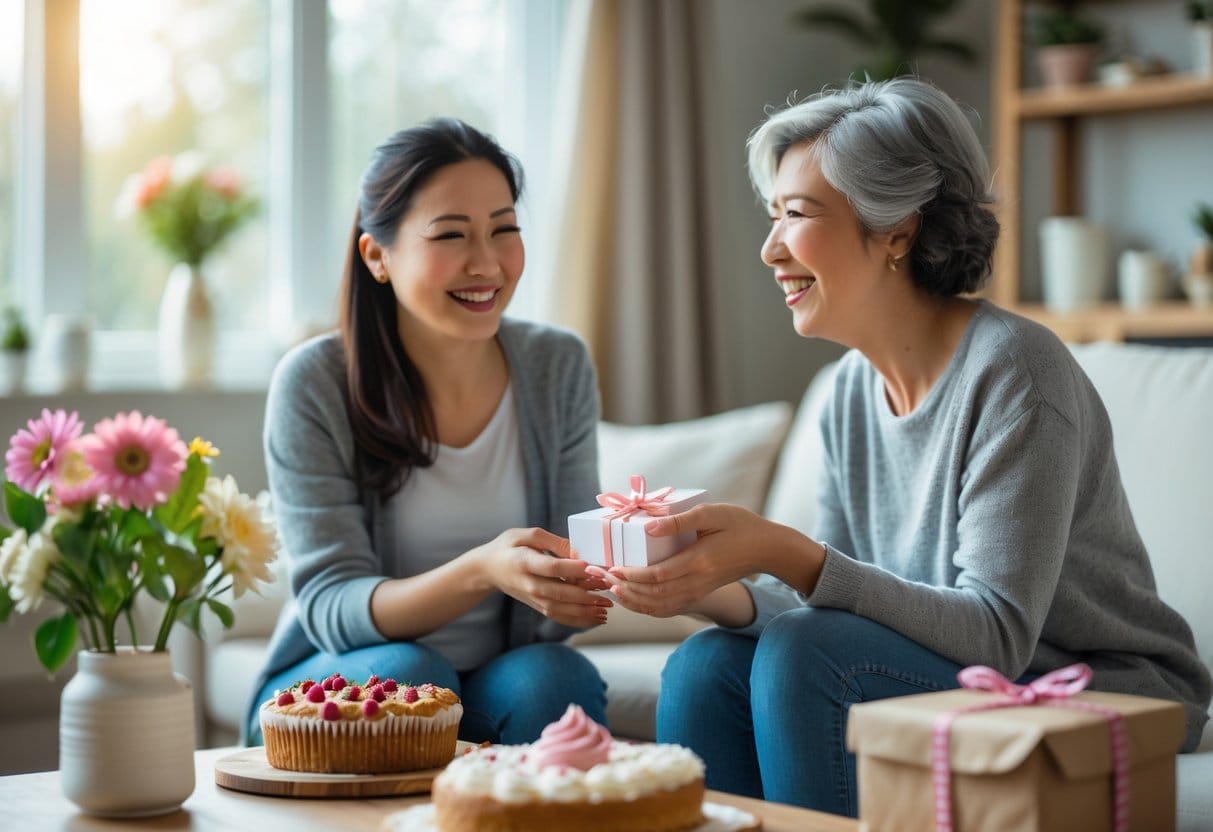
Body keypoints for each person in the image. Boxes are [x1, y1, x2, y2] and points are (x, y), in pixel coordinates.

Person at [593, 78, 1212, 816]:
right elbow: (821, 605)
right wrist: (701, 588)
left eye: (795, 215)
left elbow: (997, 634)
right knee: (704, 667)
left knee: (802, 657)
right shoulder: (847, 391)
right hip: (965, 669)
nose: (769, 249)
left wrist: (782, 549)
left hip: (1101, 687)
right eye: (772, 216)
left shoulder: (1015, 371)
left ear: (897, 230)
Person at [244, 118, 612, 745]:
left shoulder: (558, 366)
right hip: (337, 683)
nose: (487, 263)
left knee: (554, 677)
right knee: (410, 674)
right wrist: (482, 570)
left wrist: (613, 565)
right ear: (376, 256)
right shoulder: (313, 384)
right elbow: (332, 608)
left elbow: (567, 594)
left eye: (505, 230)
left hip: (498, 676)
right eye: (451, 235)